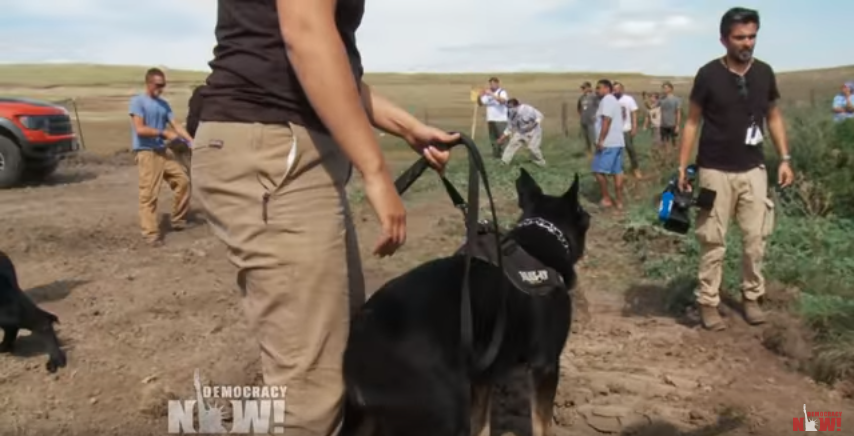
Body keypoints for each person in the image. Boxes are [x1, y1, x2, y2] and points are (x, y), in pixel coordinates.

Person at [190, 1, 458, 435]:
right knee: (309, 392)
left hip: (282, 149)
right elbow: (306, 34)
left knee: (342, 351)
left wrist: (405, 126)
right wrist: (374, 170)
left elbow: (330, 63)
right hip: (273, 151)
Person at [677, 7, 794, 331]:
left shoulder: (765, 73)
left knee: (756, 238)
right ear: (724, 39)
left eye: (752, 36)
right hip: (714, 169)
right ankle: (708, 302)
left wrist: (784, 158)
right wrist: (682, 168)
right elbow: (691, 122)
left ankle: (751, 297)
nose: (747, 43)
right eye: (740, 37)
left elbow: (773, 116)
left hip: (753, 169)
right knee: (713, 240)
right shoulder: (708, 75)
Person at [128, 68, 193, 247]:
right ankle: (150, 234)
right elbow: (140, 129)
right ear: (148, 83)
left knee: (183, 181)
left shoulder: (164, 105)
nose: (161, 88)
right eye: (158, 85)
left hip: (162, 152)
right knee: (149, 194)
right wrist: (164, 133)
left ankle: (178, 220)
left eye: (163, 85)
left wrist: (191, 141)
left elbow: (176, 125)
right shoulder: (137, 102)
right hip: (146, 152)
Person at [591, 79, 626, 209]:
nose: (596, 90)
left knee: (598, 171)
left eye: (599, 88)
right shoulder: (614, 101)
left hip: (608, 143)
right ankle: (619, 202)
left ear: (607, 88)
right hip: (617, 142)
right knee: (617, 171)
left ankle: (607, 199)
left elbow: (607, 120)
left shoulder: (607, 100)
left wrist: (601, 140)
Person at [497, 98, 546, 166]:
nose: (510, 109)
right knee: (512, 144)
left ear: (517, 106)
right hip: (521, 131)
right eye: (508, 107)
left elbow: (540, 116)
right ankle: (504, 161)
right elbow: (509, 127)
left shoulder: (527, 109)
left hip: (534, 131)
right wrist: (502, 138)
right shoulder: (511, 114)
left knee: (532, 148)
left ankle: (540, 162)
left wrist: (533, 125)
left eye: (511, 107)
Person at [613, 82, 642, 178]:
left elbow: (634, 113)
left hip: (626, 129)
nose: (616, 91)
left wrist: (634, 126)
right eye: (614, 89)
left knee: (630, 149)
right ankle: (620, 171)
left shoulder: (628, 99)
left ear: (622, 89)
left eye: (618, 89)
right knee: (617, 152)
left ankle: (636, 169)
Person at [478, 77, 510, 158]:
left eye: (493, 84)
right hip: (490, 119)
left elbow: (503, 101)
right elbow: (481, 103)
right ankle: (496, 154)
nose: (492, 85)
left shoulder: (502, 92)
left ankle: (506, 155)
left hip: (501, 119)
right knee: (493, 138)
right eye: (490, 84)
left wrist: (492, 94)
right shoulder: (487, 94)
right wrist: (479, 96)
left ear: (497, 83)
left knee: (503, 138)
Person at [576, 81, 599, 157]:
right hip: (584, 120)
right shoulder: (581, 98)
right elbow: (579, 108)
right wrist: (581, 115)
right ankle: (589, 152)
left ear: (589, 88)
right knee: (586, 138)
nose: (583, 89)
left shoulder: (594, 97)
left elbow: (599, 107)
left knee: (594, 137)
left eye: (584, 88)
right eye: (582, 88)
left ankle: (598, 152)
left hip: (592, 121)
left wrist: (595, 116)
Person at [659, 81, 682, 149]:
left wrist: (677, 125)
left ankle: (675, 157)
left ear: (671, 89)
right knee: (664, 142)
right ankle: (666, 156)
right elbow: (651, 107)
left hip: (672, 124)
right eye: (663, 88)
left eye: (666, 88)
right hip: (663, 125)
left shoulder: (677, 99)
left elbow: (678, 112)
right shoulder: (661, 99)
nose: (664, 89)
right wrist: (645, 100)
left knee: (674, 142)